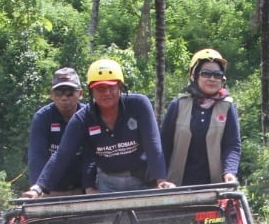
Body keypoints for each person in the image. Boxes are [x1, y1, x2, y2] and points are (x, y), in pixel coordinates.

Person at [25, 59, 169, 197]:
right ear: (91, 91)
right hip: (107, 185)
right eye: (100, 88)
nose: (106, 93)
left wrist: (161, 179)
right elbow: (62, 154)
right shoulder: (82, 118)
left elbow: (153, 144)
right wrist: (38, 188)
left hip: (142, 180)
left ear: (120, 87)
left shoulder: (139, 105)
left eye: (111, 87)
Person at [160, 49, 241, 186]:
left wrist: (229, 172)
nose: (212, 79)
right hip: (177, 185)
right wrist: (161, 178)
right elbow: (164, 145)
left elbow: (232, 145)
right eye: (206, 74)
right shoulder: (178, 105)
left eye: (217, 75)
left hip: (215, 186)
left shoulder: (227, 107)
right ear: (194, 76)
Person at [25, 67, 87, 195]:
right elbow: (36, 157)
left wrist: (89, 187)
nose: (64, 97)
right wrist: (38, 189)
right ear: (51, 94)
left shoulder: (89, 115)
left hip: (84, 187)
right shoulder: (43, 117)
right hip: (52, 188)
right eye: (59, 92)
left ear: (80, 94)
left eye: (69, 92)